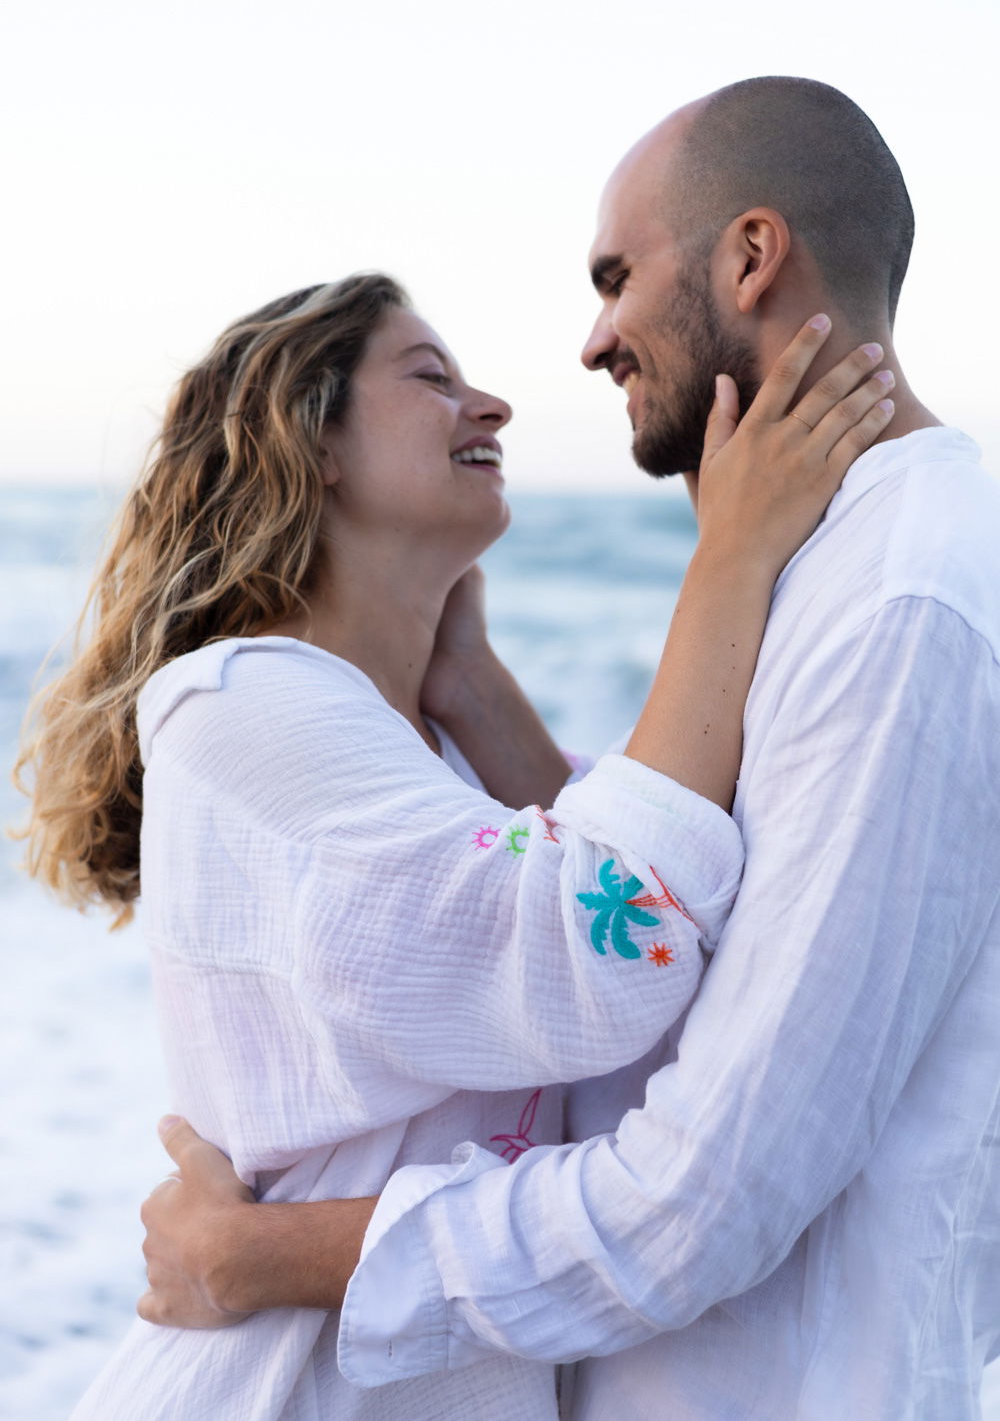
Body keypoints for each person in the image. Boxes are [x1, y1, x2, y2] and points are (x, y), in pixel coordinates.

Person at [139, 78, 1000, 1420]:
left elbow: (696, 1189)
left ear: (751, 257)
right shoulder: (819, 562)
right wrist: (484, 700)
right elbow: (638, 928)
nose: (592, 343)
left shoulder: (897, 595)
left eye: (617, 277)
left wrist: (255, 1256)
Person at [16, 265, 890, 1420]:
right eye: (431, 379)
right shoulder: (237, 707)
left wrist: (473, 686)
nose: (492, 407)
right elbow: (606, 948)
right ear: (308, 439)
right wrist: (729, 557)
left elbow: (670, 976)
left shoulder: (414, 749)